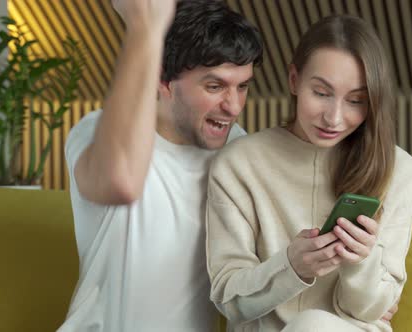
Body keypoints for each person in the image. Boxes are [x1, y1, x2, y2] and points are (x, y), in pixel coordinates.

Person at [206, 15, 412, 332]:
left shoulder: (398, 169)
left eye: (356, 101)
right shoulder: (238, 164)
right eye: (321, 93)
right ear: (294, 80)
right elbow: (229, 298)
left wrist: (361, 262)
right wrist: (290, 266)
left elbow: (373, 310)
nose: (334, 118)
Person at [57, 0, 262, 331]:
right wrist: (143, 25)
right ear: (164, 82)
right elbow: (120, 182)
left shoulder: (238, 148)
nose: (233, 106)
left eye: (243, 86)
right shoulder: (100, 130)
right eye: (215, 86)